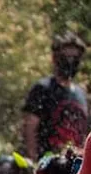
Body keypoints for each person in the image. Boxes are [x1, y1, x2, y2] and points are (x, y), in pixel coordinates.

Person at [22, 32, 88, 160]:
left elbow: (83, 133)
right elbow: (29, 128)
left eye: (75, 57)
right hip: (48, 166)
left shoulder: (81, 94)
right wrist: (35, 160)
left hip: (74, 168)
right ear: (55, 58)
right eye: (66, 56)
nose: (71, 61)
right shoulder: (43, 89)